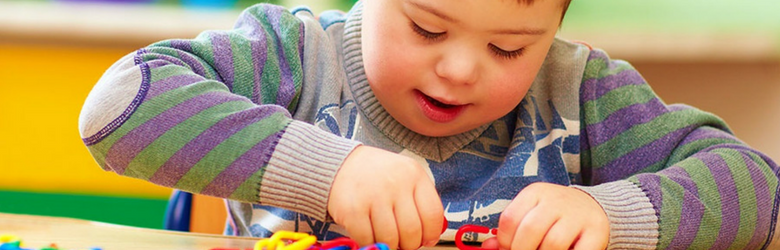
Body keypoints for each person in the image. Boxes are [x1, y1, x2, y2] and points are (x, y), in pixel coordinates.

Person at [78, 0, 779, 249]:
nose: (459, 70)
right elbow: (119, 109)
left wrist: (608, 213)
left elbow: (759, 190)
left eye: (509, 47)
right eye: (425, 26)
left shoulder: (584, 93)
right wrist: (332, 169)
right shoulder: (293, 56)